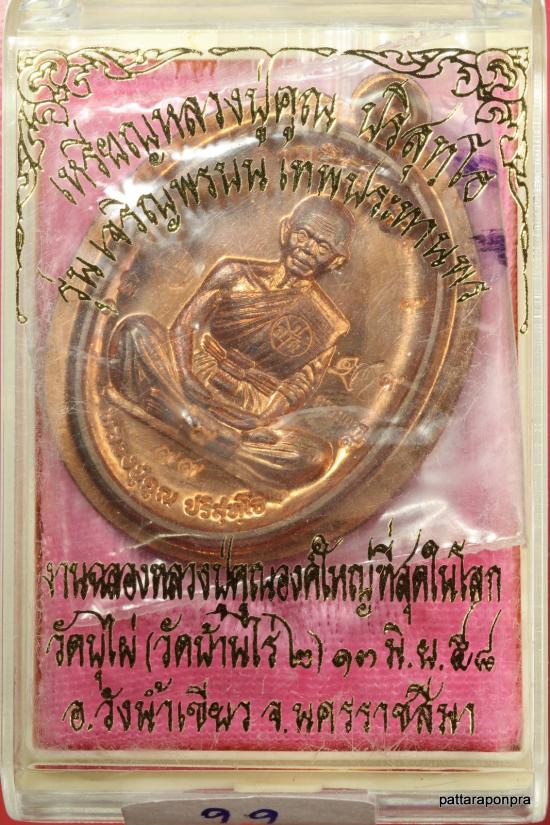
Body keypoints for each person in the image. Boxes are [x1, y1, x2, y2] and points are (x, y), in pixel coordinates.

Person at [108, 195, 355, 492]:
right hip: (194, 378)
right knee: (135, 332)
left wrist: (261, 419)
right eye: (303, 235)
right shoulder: (233, 273)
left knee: (314, 457)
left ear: (336, 260)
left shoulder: (328, 322)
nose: (307, 249)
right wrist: (184, 374)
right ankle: (202, 427)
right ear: (286, 230)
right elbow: (185, 324)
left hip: (249, 410)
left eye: (322, 247)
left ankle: (202, 429)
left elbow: (299, 386)